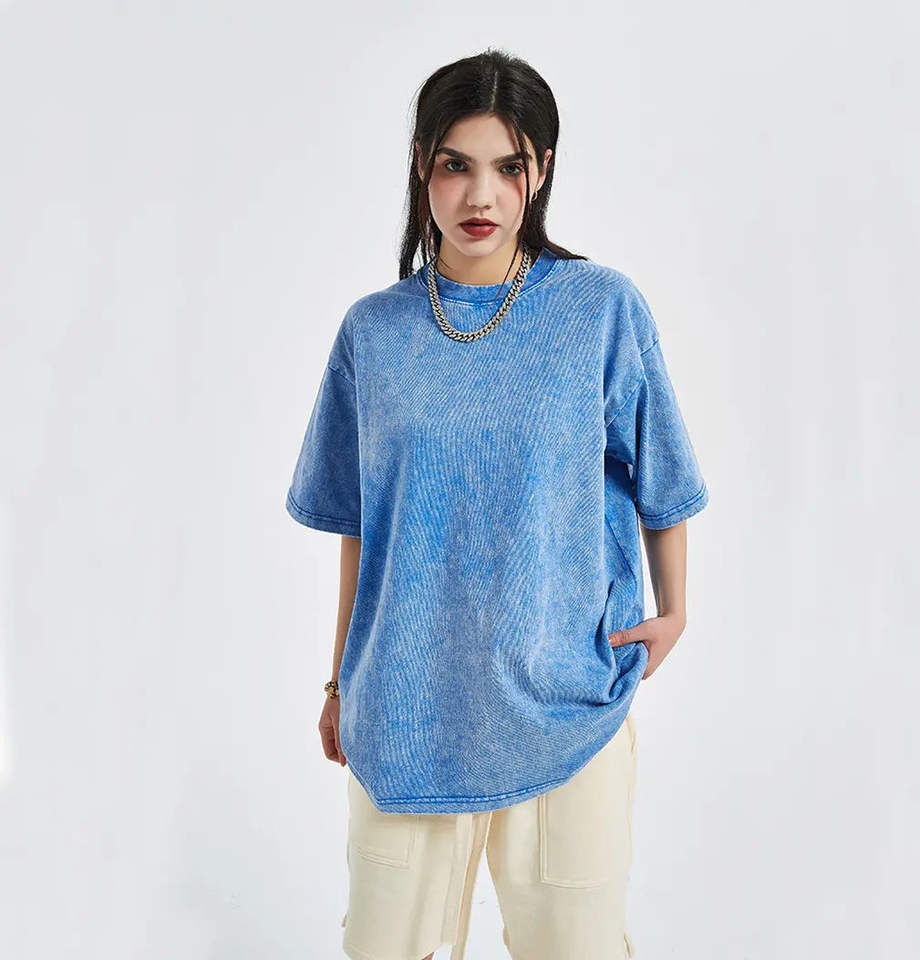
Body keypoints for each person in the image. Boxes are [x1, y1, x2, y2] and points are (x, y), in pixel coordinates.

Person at [285, 48, 709, 960]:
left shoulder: (599, 310)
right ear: (421, 165)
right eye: (455, 164)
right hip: (405, 714)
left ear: (541, 171)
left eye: (507, 167)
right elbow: (361, 526)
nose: (481, 196)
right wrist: (339, 681)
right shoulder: (374, 332)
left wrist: (674, 612)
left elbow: (664, 476)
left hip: (566, 707)